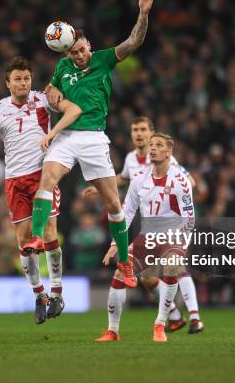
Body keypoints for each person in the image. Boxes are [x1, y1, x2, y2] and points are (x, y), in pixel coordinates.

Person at [23, 0, 156, 288]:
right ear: (66, 53)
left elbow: (134, 42)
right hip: (67, 136)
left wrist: (143, 14)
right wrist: (54, 96)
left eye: (83, 50)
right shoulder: (63, 68)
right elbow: (49, 89)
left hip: (94, 138)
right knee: (48, 180)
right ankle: (35, 236)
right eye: (74, 53)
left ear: (89, 47)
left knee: (113, 204)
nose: (80, 56)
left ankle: (124, 262)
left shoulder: (104, 59)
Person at [0, 57, 82, 324]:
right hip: (15, 182)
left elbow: (71, 107)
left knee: (47, 233)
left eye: (27, 78)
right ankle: (40, 295)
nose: (23, 83)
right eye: (18, 79)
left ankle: (57, 290)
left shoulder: (44, 99)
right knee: (23, 243)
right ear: (7, 83)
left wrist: (56, 128)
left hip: (43, 176)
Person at [83, 116, 203, 332]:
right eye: (134, 130)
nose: (138, 134)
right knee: (147, 278)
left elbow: (188, 184)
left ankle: (194, 316)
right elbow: (123, 182)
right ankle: (175, 316)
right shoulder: (131, 160)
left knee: (175, 267)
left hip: (172, 229)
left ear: (151, 133)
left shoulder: (169, 164)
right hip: (147, 226)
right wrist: (100, 188)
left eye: (143, 130)